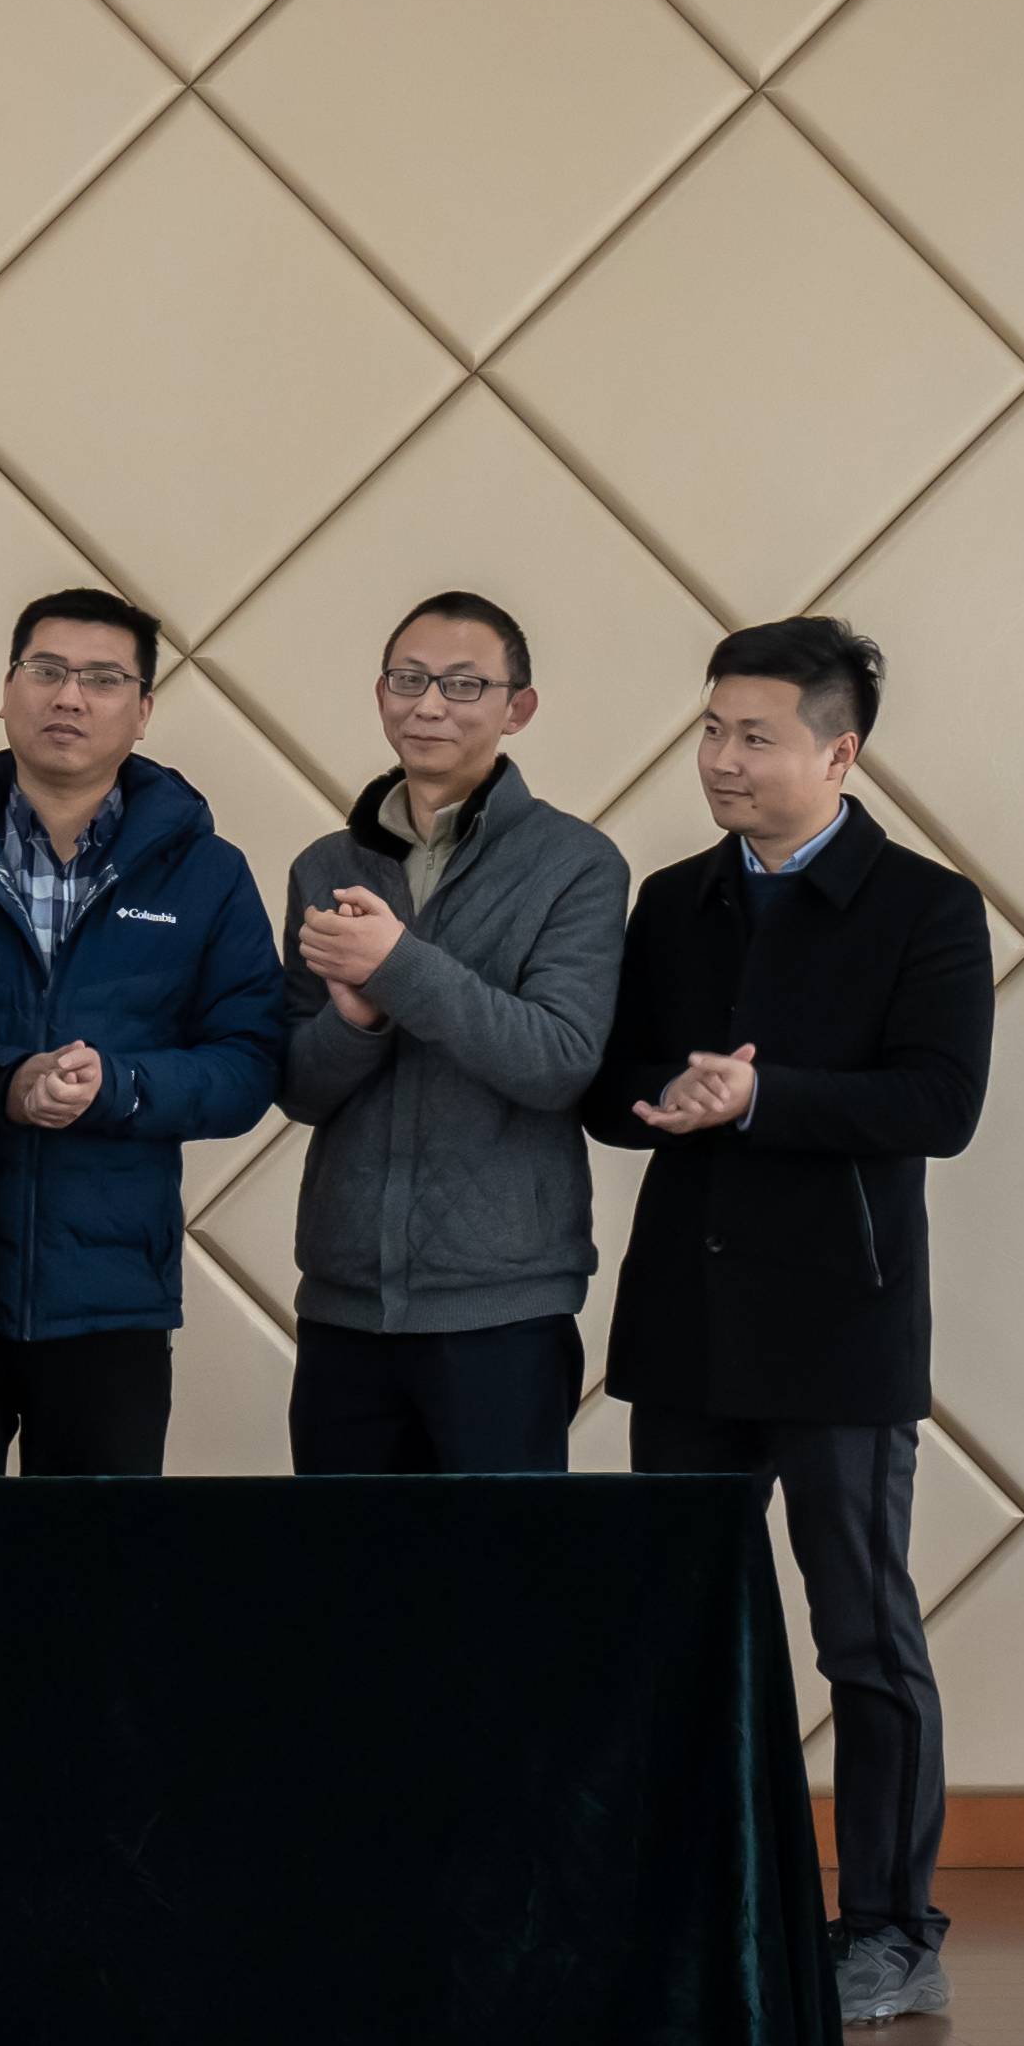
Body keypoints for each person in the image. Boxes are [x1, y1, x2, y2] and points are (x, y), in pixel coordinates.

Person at [593, 616, 993, 2028]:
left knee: (862, 1637)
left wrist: (763, 1097)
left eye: (752, 736)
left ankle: (890, 1927)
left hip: (841, 1326)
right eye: (710, 730)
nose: (719, 759)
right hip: (686, 1322)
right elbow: (612, 1086)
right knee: (684, 1632)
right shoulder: (672, 899)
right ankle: (705, 1908)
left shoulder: (925, 906)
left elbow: (940, 1102)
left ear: (838, 752)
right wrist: (669, 1096)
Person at [0, 589, 283, 1478]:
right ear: (6, 690)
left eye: (103, 679)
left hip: (112, 1297)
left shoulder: (206, 874)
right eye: (47, 671)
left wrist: (119, 1086)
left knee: (97, 1556)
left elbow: (247, 1064)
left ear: (142, 712)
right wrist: (7, 1083)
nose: (69, 697)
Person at [269, 595, 628, 1476]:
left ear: (517, 709)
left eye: (463, 685)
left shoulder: (575, 864)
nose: (429, 705)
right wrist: (354, 1020)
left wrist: (396, 967)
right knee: (337, 1560)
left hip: (503, 1305)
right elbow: (296, 1087)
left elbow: (558, 1062)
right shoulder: (325, 865)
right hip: (342, 1302)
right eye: (409, 680)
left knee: (497, 1563)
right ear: (380, 694)